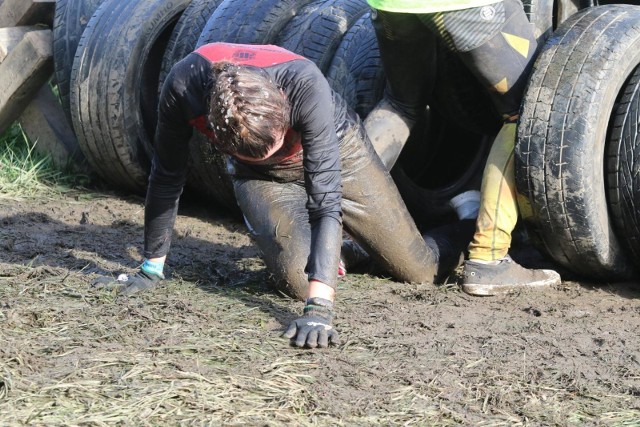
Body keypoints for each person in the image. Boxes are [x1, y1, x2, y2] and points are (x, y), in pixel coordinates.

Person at [92, 42, 477, 348]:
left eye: (274, 145)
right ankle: (343, 250)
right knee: (296, 280)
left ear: (281, 107)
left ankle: (469, 221)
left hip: (337, 154)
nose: (273, 155)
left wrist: (320, 307)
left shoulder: (304, 84)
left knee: (420, 271)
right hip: (258, 178)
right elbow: (166, 177)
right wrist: (151, 267)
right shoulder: (183, 87)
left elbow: (325, 198)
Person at [364, 0, 562, 296]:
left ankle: (335, 230)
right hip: (467, 4)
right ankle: (489, 258)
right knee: (525, 114)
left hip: (393, 5)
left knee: (400, 103)